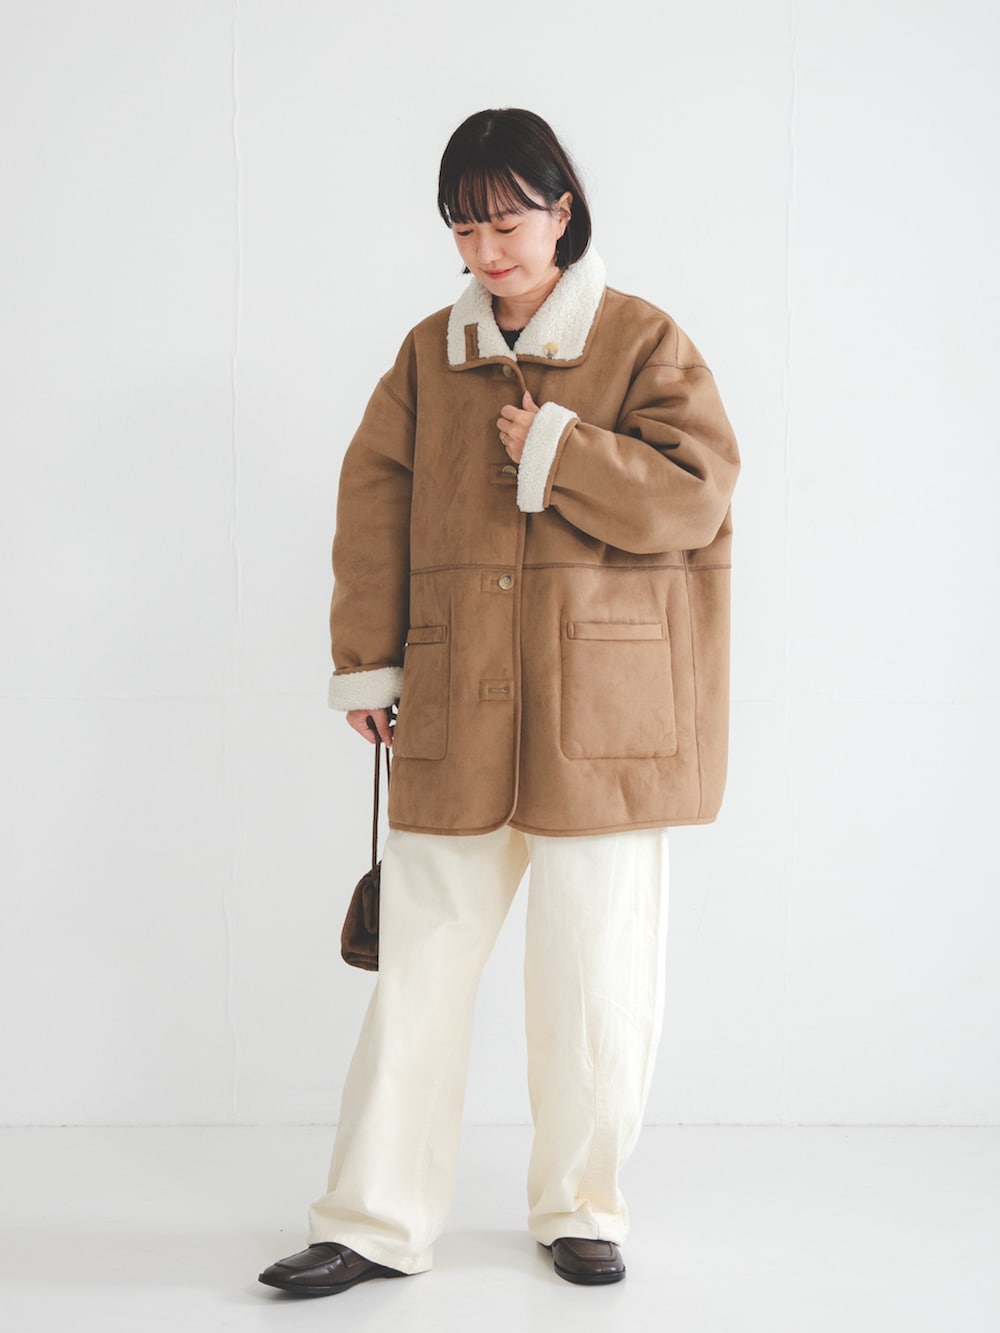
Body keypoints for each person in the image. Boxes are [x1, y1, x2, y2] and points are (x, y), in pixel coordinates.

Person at [258, 107, 739, 1296]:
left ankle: (580, 1206)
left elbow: (695, 494)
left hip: (605, 718)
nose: (486, 251)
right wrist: (369, 661)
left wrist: (562, 450)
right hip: (454, 700)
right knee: (417, 979)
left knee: (594, 984)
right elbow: (372, 504)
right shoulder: (431, 355)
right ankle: (373, 1220)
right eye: (464, 229)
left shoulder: (641, 340)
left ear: (561, 211)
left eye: (507, 223)